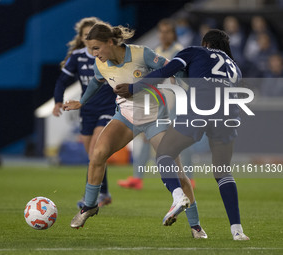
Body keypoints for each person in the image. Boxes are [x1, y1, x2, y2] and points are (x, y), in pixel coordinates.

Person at [63, 22, 207, 239]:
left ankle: (196, 226)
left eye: (97, 48)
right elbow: (96, 82)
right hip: (126, 117)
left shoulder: (141, 53)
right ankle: (89, 206)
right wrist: (81, 102)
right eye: (91, 49)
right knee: (97, 154)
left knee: (177, 171)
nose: (94, 53)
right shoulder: (100, 64)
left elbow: (171, 67)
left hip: (155, 117)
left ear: (110, 42)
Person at [115, 29, 250, 241]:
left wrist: (134, 88)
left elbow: (163, 72)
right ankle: (237, 230)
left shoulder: (195, 51)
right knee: (223, 172)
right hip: (228, 114)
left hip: (201, 107)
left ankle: (178, 197)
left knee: (164, 154)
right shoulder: (236, 68)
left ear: (205, 42)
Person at [53, 17, 116, 208]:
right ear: (82, 38)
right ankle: (103, 192)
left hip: (108, 107)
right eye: (86, 34)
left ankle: (95, 197)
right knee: (93, 156)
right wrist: (57, 101)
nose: (90, 38)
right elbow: (62, 81)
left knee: (96, 149)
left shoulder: (108, 54)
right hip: (87, 110)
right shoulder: (78, 56)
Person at [117, 18, 184, 190]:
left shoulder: (180, 52)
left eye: (167, 31)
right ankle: (137, 177)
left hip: (176, 102)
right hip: (158, 102)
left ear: (173, 34)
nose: (163, 35)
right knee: (147, 139)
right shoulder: (156, 52)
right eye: (161, 31)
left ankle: (186, 178)